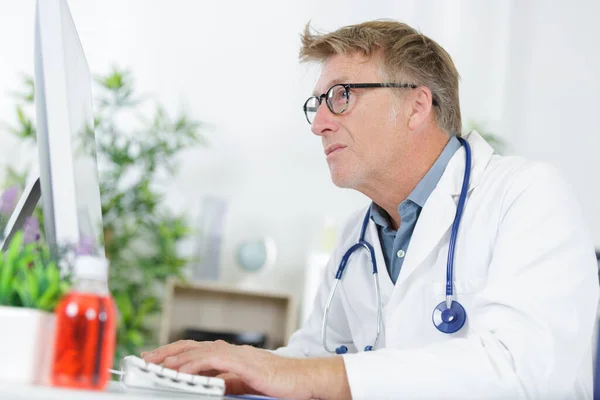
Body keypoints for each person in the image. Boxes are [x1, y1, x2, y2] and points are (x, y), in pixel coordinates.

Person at [142, 20, 600, 399]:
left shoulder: (527, 197)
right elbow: (310, 360)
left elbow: (524, 373)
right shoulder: (356, 238)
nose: (320, 123)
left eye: (341, 96)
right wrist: (221, 374)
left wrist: (300, 376)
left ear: (417, 105)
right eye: (317, 104)